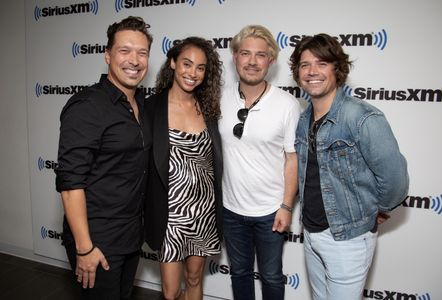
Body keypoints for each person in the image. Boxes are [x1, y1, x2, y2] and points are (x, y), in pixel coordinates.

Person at [289, 33, 409, 300]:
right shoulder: (304, 117)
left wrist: (374, 210)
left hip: (347, 239)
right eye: (305, 64)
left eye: (321, 63)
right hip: (311, 232)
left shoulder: (362, 117)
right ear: (297, 73)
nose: (312, 71)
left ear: (337, 68)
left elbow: (395, 179)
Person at [55, 16, 153, 299]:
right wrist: (84, 248)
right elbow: (71, 182)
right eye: (124, 51)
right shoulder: (87, 106)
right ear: (107, 55)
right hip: (97, 240)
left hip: (131, 235)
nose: (134, 60)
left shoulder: (142, 104)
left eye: (142, 52)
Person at [218, 25, 301, 300]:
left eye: (260, 55)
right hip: (230, 210)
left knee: (272, 277)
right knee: (239, 273)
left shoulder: (287, 104)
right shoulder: (218, 98)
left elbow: (292, 159)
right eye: (245, 53)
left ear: (271, 61)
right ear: (234, 57)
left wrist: (286, 206)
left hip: (270, 212)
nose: (252, 62)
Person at [144, 36, 223, 300]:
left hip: (203, 210)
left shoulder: (208, 108)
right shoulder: (152, 107)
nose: (193, 73)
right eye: (187, 64)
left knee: (193, 278)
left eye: (200, 68)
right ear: (173, 63)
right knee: (169, 292)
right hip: (169, 213)